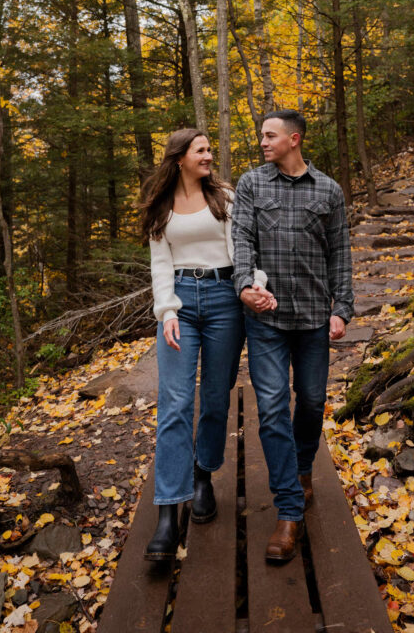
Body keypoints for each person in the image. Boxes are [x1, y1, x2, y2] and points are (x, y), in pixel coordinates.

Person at [232, 109, 353, 563]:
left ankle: (303, 469)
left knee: (312, 399)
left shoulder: (328, 190)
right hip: (265, 321)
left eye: (270, 135)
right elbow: (241, 237)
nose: (262, 141)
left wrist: (342, 308)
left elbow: (340, 251)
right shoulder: (251, 184)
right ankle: (288, 512)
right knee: (272, 410)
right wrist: (245, 285)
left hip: (313, 319)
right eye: (261, 134)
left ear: (294, 139)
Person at [140, 128, 245, 561]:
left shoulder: (225, 197)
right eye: (201, 150)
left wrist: (251, 287)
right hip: (181, 303)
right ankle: (167, 512)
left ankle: (203, 475)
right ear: (180, 157)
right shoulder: (161, 206)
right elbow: (160, 264)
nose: (209, 155)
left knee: (216, 400)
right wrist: (166, 311)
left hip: (225, 301)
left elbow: (243, 251)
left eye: (208, 148)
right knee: (175, 403)